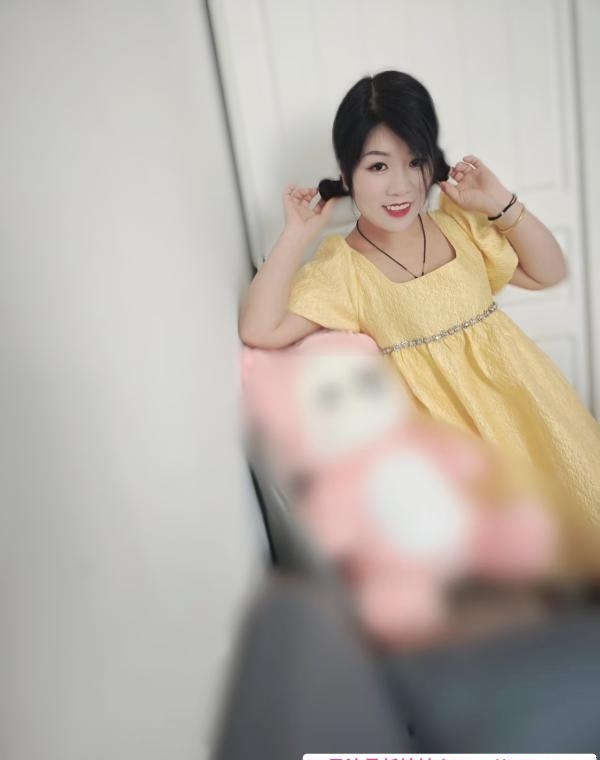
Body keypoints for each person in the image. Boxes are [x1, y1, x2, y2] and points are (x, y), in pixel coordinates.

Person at [238, 69, 600, 535]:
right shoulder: (343, 268)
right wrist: (296, 235)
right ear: (347, 174)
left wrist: (499, 201)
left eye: (415, 162)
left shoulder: (458, 223)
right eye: (378, 167)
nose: (402, 187)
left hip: (530, 409)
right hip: (456, 452)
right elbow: (260, 329)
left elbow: (549, 271)